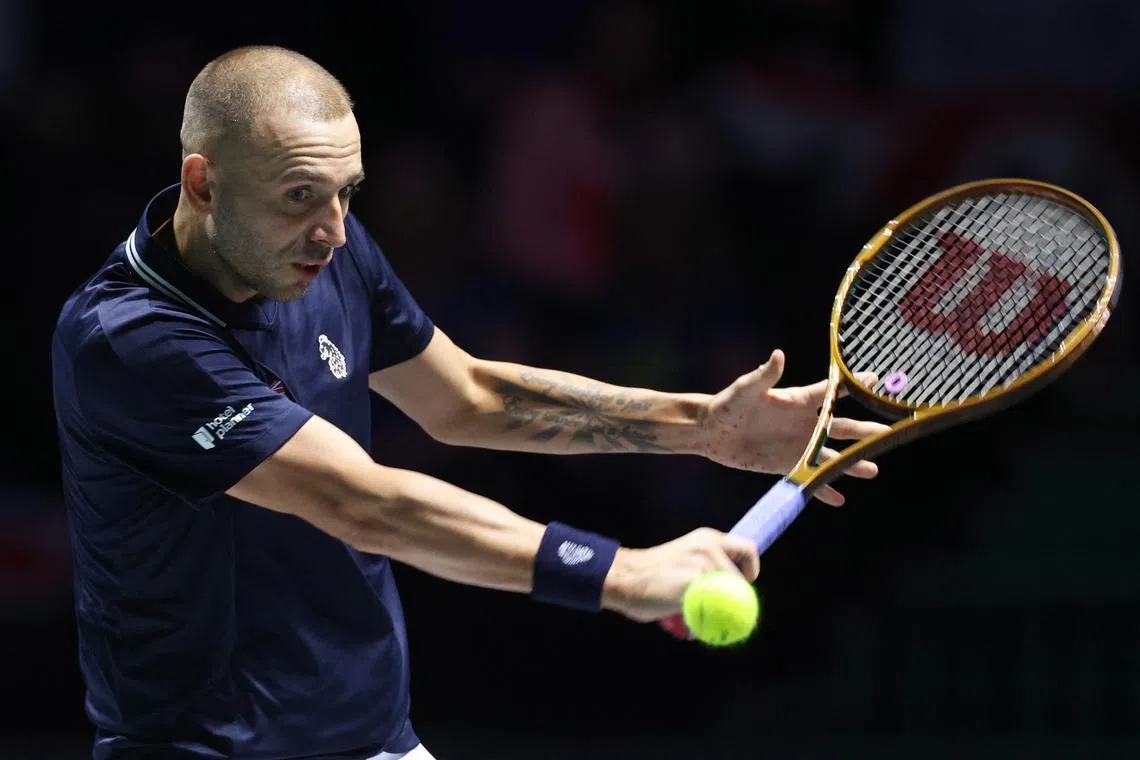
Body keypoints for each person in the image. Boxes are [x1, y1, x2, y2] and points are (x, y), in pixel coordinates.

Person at [51, 45, 888, 760]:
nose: (335, 229)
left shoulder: (325, 250)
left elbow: (467, 398)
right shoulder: (129, 340)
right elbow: (362, 502)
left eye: (349, 191)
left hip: (376, 736)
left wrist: (700, 427)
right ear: (203, 183)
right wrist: (624, 575)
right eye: (301, 196)